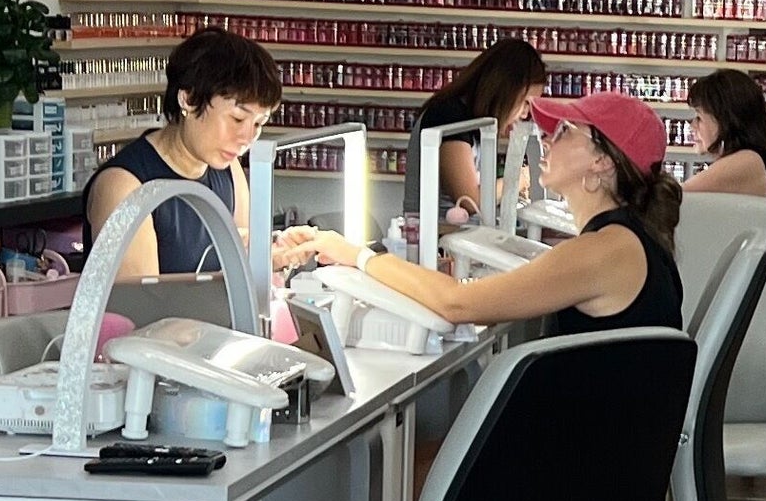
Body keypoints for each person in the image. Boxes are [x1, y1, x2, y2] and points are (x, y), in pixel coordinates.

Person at [279, 89, 684, 334]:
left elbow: (459, 305)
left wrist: (357, 255)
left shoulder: (606, 250)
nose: (546, 137)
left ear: (603, 162)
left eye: (563, 132)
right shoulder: (620, 242)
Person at [84, 26, 282, 281]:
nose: (247, 138)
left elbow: (242, 269)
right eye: (237, 118)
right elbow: (140, 309)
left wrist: (273, 256)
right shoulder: (125, 187)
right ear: (188, 99)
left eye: (258, 124)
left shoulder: (229, 170)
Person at [415, 39, 549, 217]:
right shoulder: (449, 115)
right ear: (505, 91)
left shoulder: (479, 124)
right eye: (525, 103)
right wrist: (524, 176)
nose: (525, 114)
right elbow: (472, 201)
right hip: (436, 236)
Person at [682, 68, 766, 209]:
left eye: (699, 118)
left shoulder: (747, 161)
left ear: (725, 121)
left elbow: (678, 197)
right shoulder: (760, 155)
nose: (692, 125)